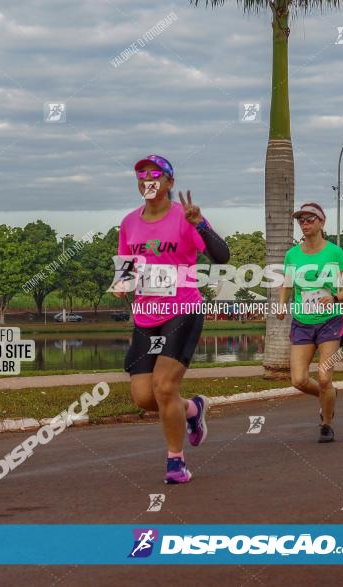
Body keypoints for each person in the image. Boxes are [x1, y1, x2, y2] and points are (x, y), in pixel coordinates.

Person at [114, 155, 231, 484]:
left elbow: (222, 256)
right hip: (146, 316)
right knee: (143, 396)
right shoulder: (128, 222)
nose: (146, 179)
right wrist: (122, 286)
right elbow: (127, 262)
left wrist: (201, 226)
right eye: (141, 175)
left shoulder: (186, 217)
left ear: (169, 182)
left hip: (183, 310)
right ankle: (193, 410)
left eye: (154, 174)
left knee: (164, 387)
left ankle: (175, 462)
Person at [277, 202, 343, 443]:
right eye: (301, 220)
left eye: (310, 219)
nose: (305, 223)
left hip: (329, 321)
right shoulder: (292, 254)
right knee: (299, 380)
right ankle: (327, 395)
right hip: (302, 321)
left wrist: (333, 297)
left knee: (324, 377)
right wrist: (282, 303)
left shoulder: (334, 252)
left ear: (321, 222)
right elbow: (288, 284)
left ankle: (327, 423)